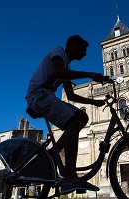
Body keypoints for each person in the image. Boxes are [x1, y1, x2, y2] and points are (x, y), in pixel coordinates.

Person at [25, 35, 105, 194]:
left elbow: (71, 96)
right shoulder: (58, 52)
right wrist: (89, 74)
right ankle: (70, 177)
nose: (85, 53)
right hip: (39, 94)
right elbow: (58, 71)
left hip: (47, 95)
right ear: (74, 45)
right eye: (83, 48)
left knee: (82, 117)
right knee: (73, 123)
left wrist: (93, 103)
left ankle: (54, 153)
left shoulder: (65, 67)